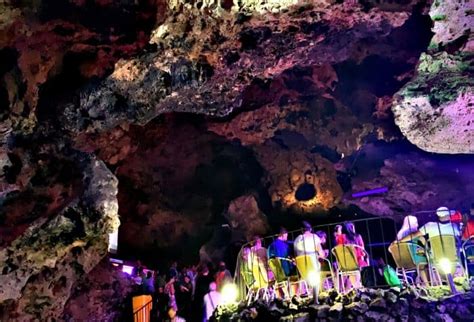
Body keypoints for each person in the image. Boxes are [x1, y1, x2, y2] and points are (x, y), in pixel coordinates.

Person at [394, 215, 429, 285]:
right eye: (416, 222)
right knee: (425, 262)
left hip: (404, 263)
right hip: (416, 260)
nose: (417, 224)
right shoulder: (414, 233)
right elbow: (422, 246)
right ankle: (428, 285)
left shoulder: (399, 235)